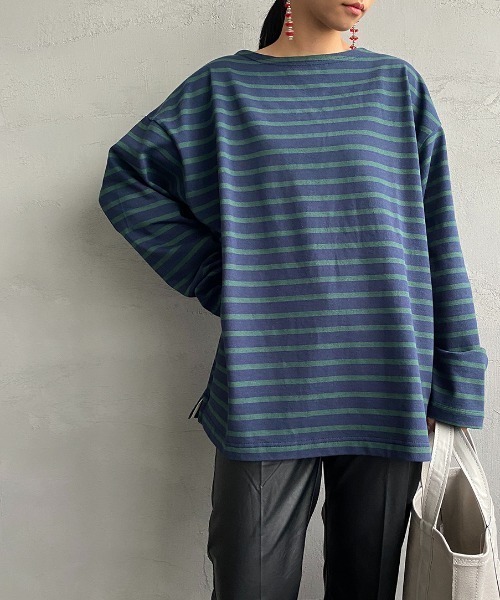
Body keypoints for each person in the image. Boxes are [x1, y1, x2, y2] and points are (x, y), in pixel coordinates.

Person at [97, 0, 489, 598]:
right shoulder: (224, 89)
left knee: (367, 584)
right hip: (267, 382)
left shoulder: (395, 85)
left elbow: (438, 235)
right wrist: (219, 277)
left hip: (387, 376)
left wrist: (455, 377)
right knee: (249, 584)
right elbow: (128, 180)